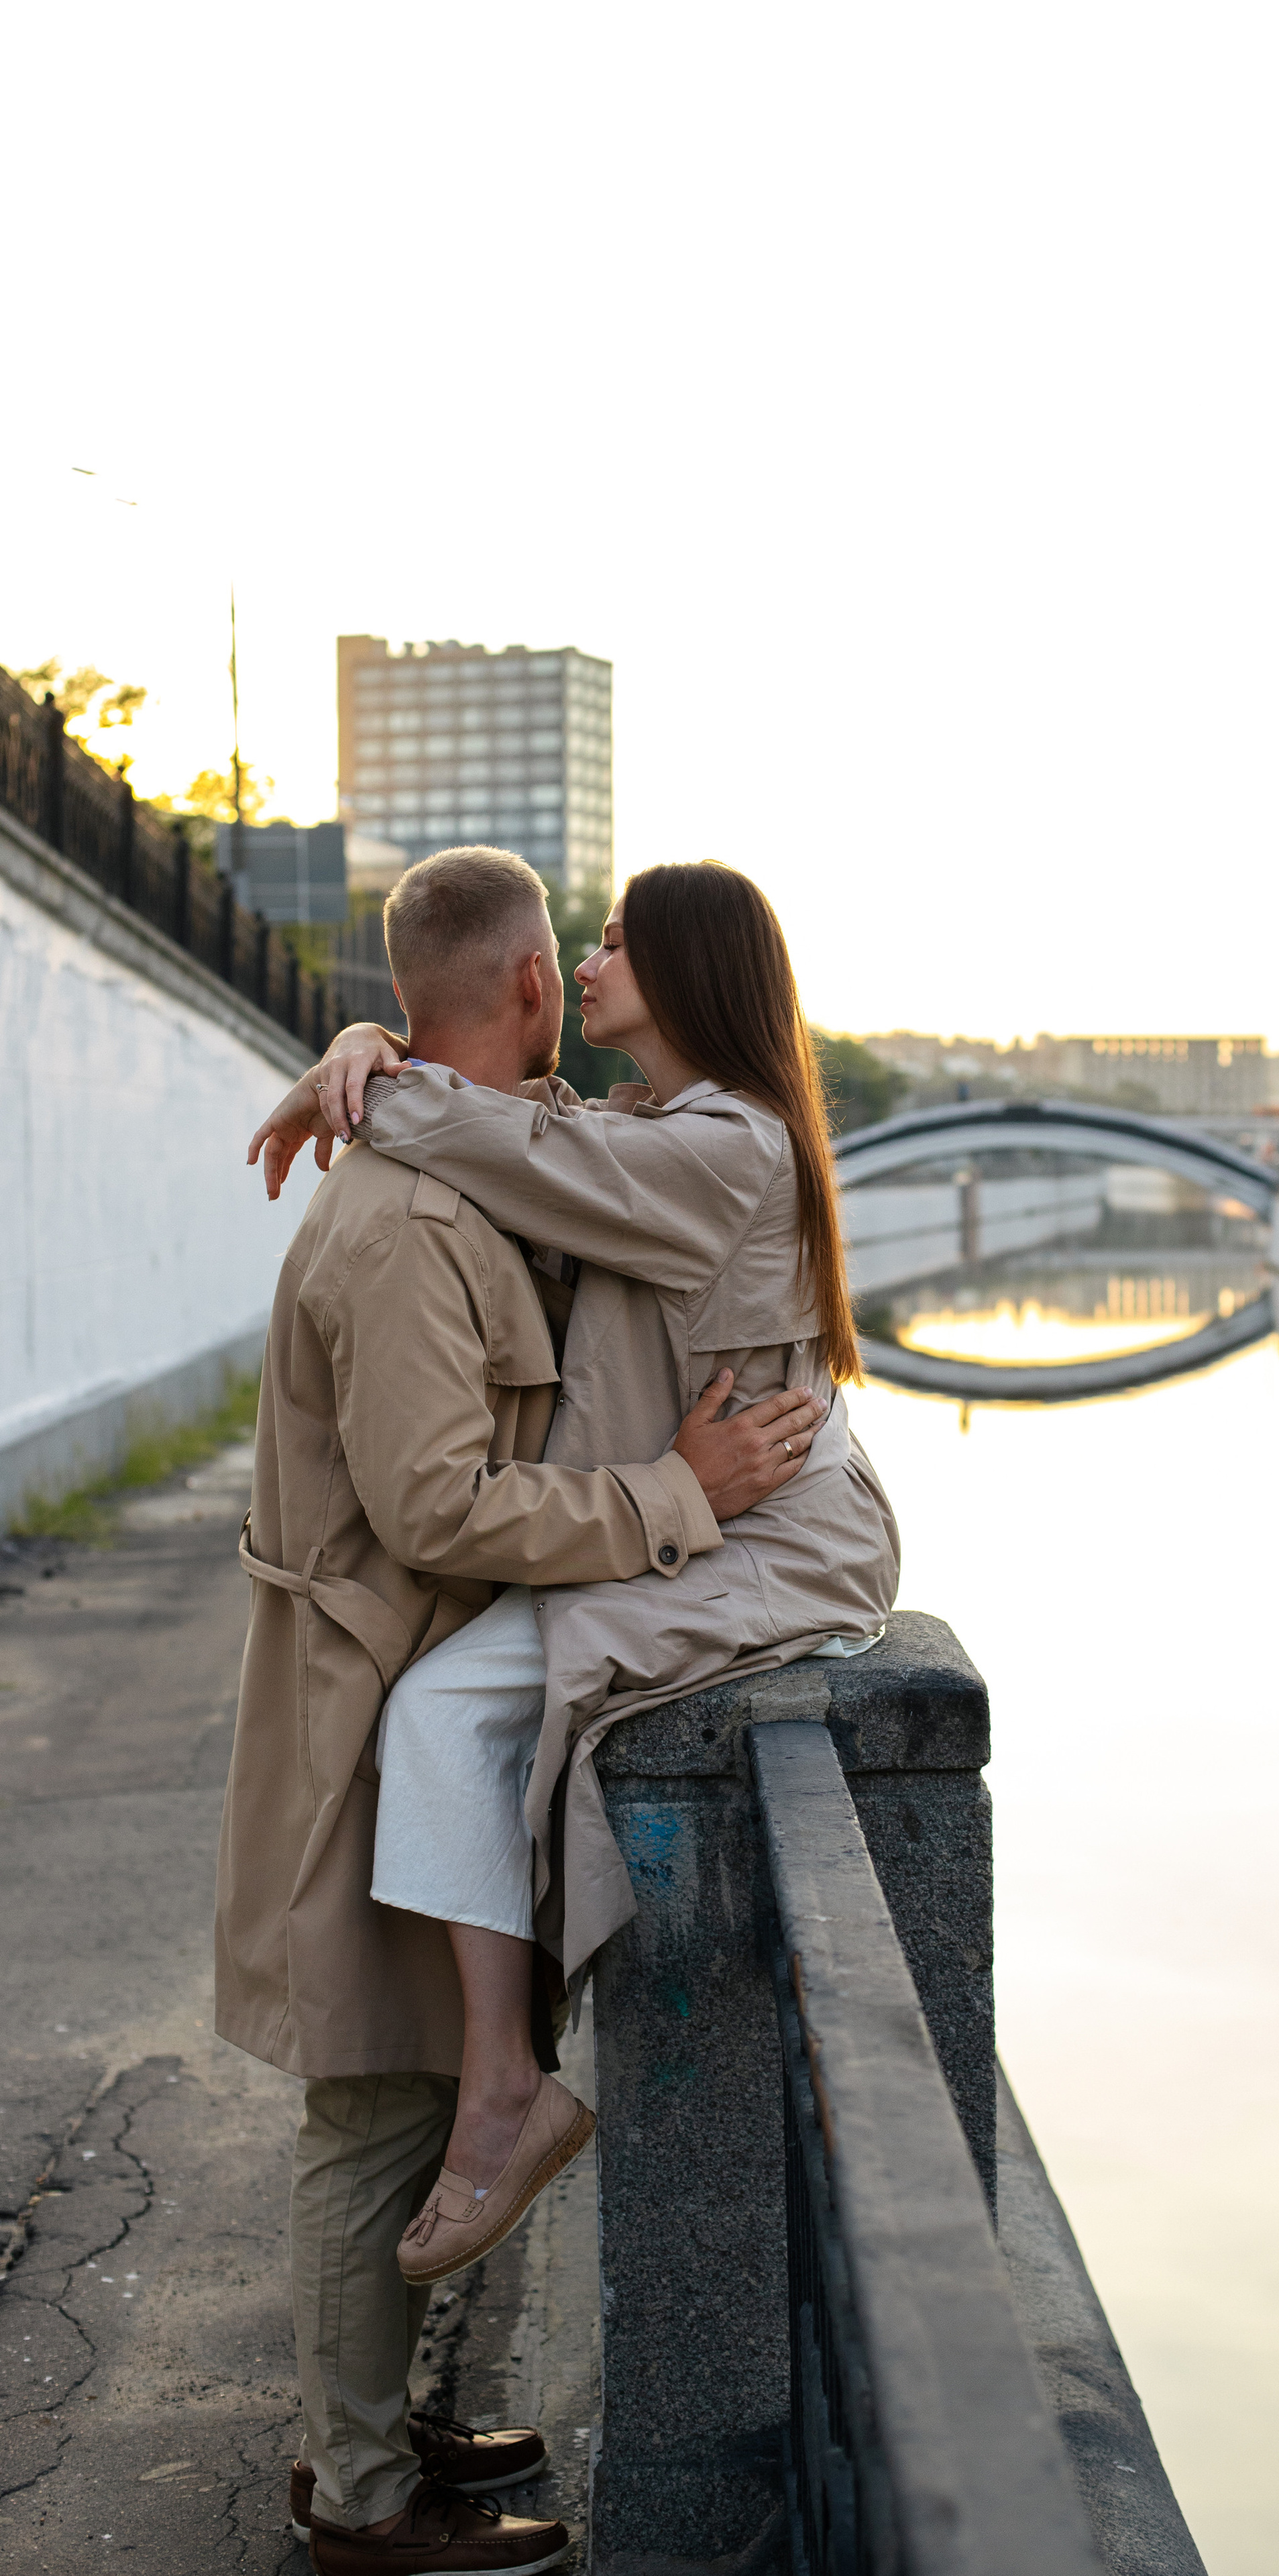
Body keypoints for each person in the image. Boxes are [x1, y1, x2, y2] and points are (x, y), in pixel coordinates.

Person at [223, 845, 828, 2576]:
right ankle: (357, 2495)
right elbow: (433, 1510)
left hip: (424, 1661)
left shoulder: (533, 1149)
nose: (588, 970)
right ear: (537, 988)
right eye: (578, 948)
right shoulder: (417, 1214)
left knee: (405, 2083)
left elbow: (527, 1130)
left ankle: (372, 2428)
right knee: (368, 2103)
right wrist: (673, 1491)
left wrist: (362, 1056)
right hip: (372, 1690)